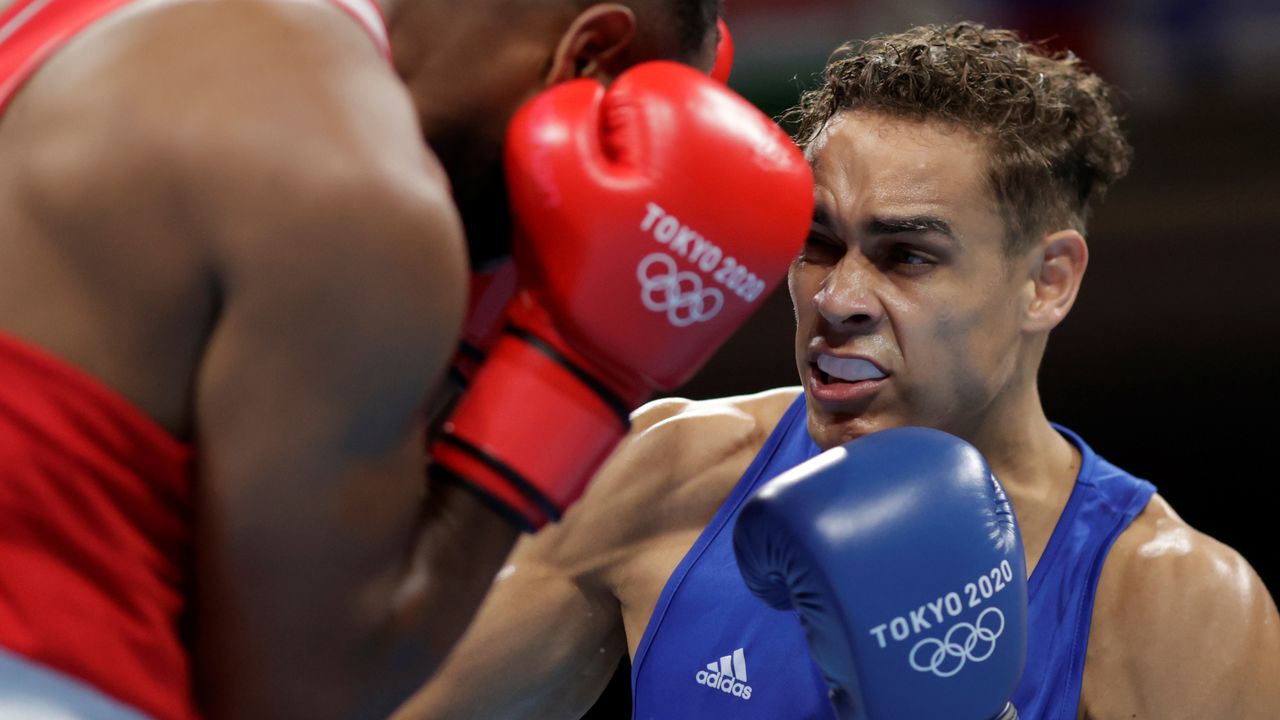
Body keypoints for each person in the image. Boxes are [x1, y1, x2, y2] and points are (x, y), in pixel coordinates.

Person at [403, 21, 1280, 720]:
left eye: (905, 257)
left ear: (1046, 282)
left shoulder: (1176, 601)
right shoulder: (662, 475)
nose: (842, 297)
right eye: (818, 245)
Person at [0, 0, 815, 717]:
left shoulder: (88, 20)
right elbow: (308, 694)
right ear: (585, 56)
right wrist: (574, 374)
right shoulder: (364, 189)